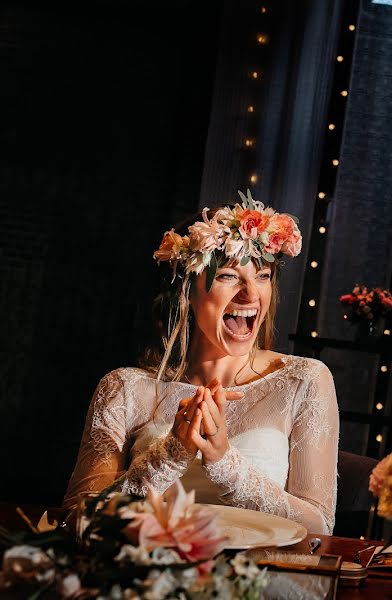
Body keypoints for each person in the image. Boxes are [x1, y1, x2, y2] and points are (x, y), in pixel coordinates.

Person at [64, 191, 339, 534]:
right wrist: (172, 454)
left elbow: (320, 526)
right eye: (227, 276)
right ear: (187, 291)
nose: (251, 294)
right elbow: (79, 520)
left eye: (263, 275)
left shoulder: (305, 380)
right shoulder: (123, 388)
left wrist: (225, 465)